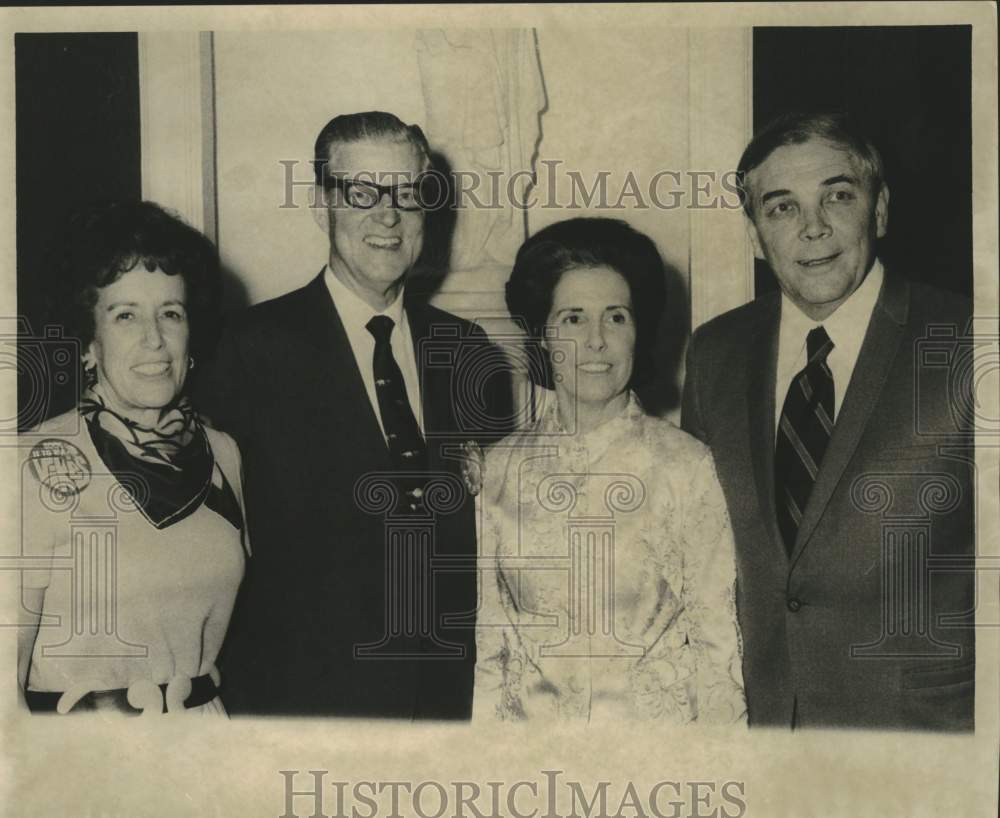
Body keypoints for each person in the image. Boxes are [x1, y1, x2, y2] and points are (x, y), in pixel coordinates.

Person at [193, 111, 513, 718]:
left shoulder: (470, 352)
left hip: (448, 709)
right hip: (302, 708)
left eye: (406, 194)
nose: (386, 216)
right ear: (322, 206)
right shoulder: (246, 349)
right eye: (361, 193)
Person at [682, 112, 975, 730]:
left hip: (919, 737)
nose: (813, 229)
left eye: (838, 196)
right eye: (781, 208)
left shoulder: (971, 343)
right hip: (759, 733)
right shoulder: (715, 352)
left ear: (881, 209)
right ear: (756, 234)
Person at [474, 217, 746, 724]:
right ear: (542, 335)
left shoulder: (687, 468)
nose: (597, 341)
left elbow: (718, 652)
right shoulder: (498, 470)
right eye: (573, 318)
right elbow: (489, 654)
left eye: (616, 317)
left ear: (638, 333)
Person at [17, 200, 247, 715]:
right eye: (125, 316)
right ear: (87, 342)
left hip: (205, 744)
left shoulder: (225, 455)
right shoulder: (31, 462)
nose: (154, 339)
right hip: (86, 761)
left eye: (171, 313)